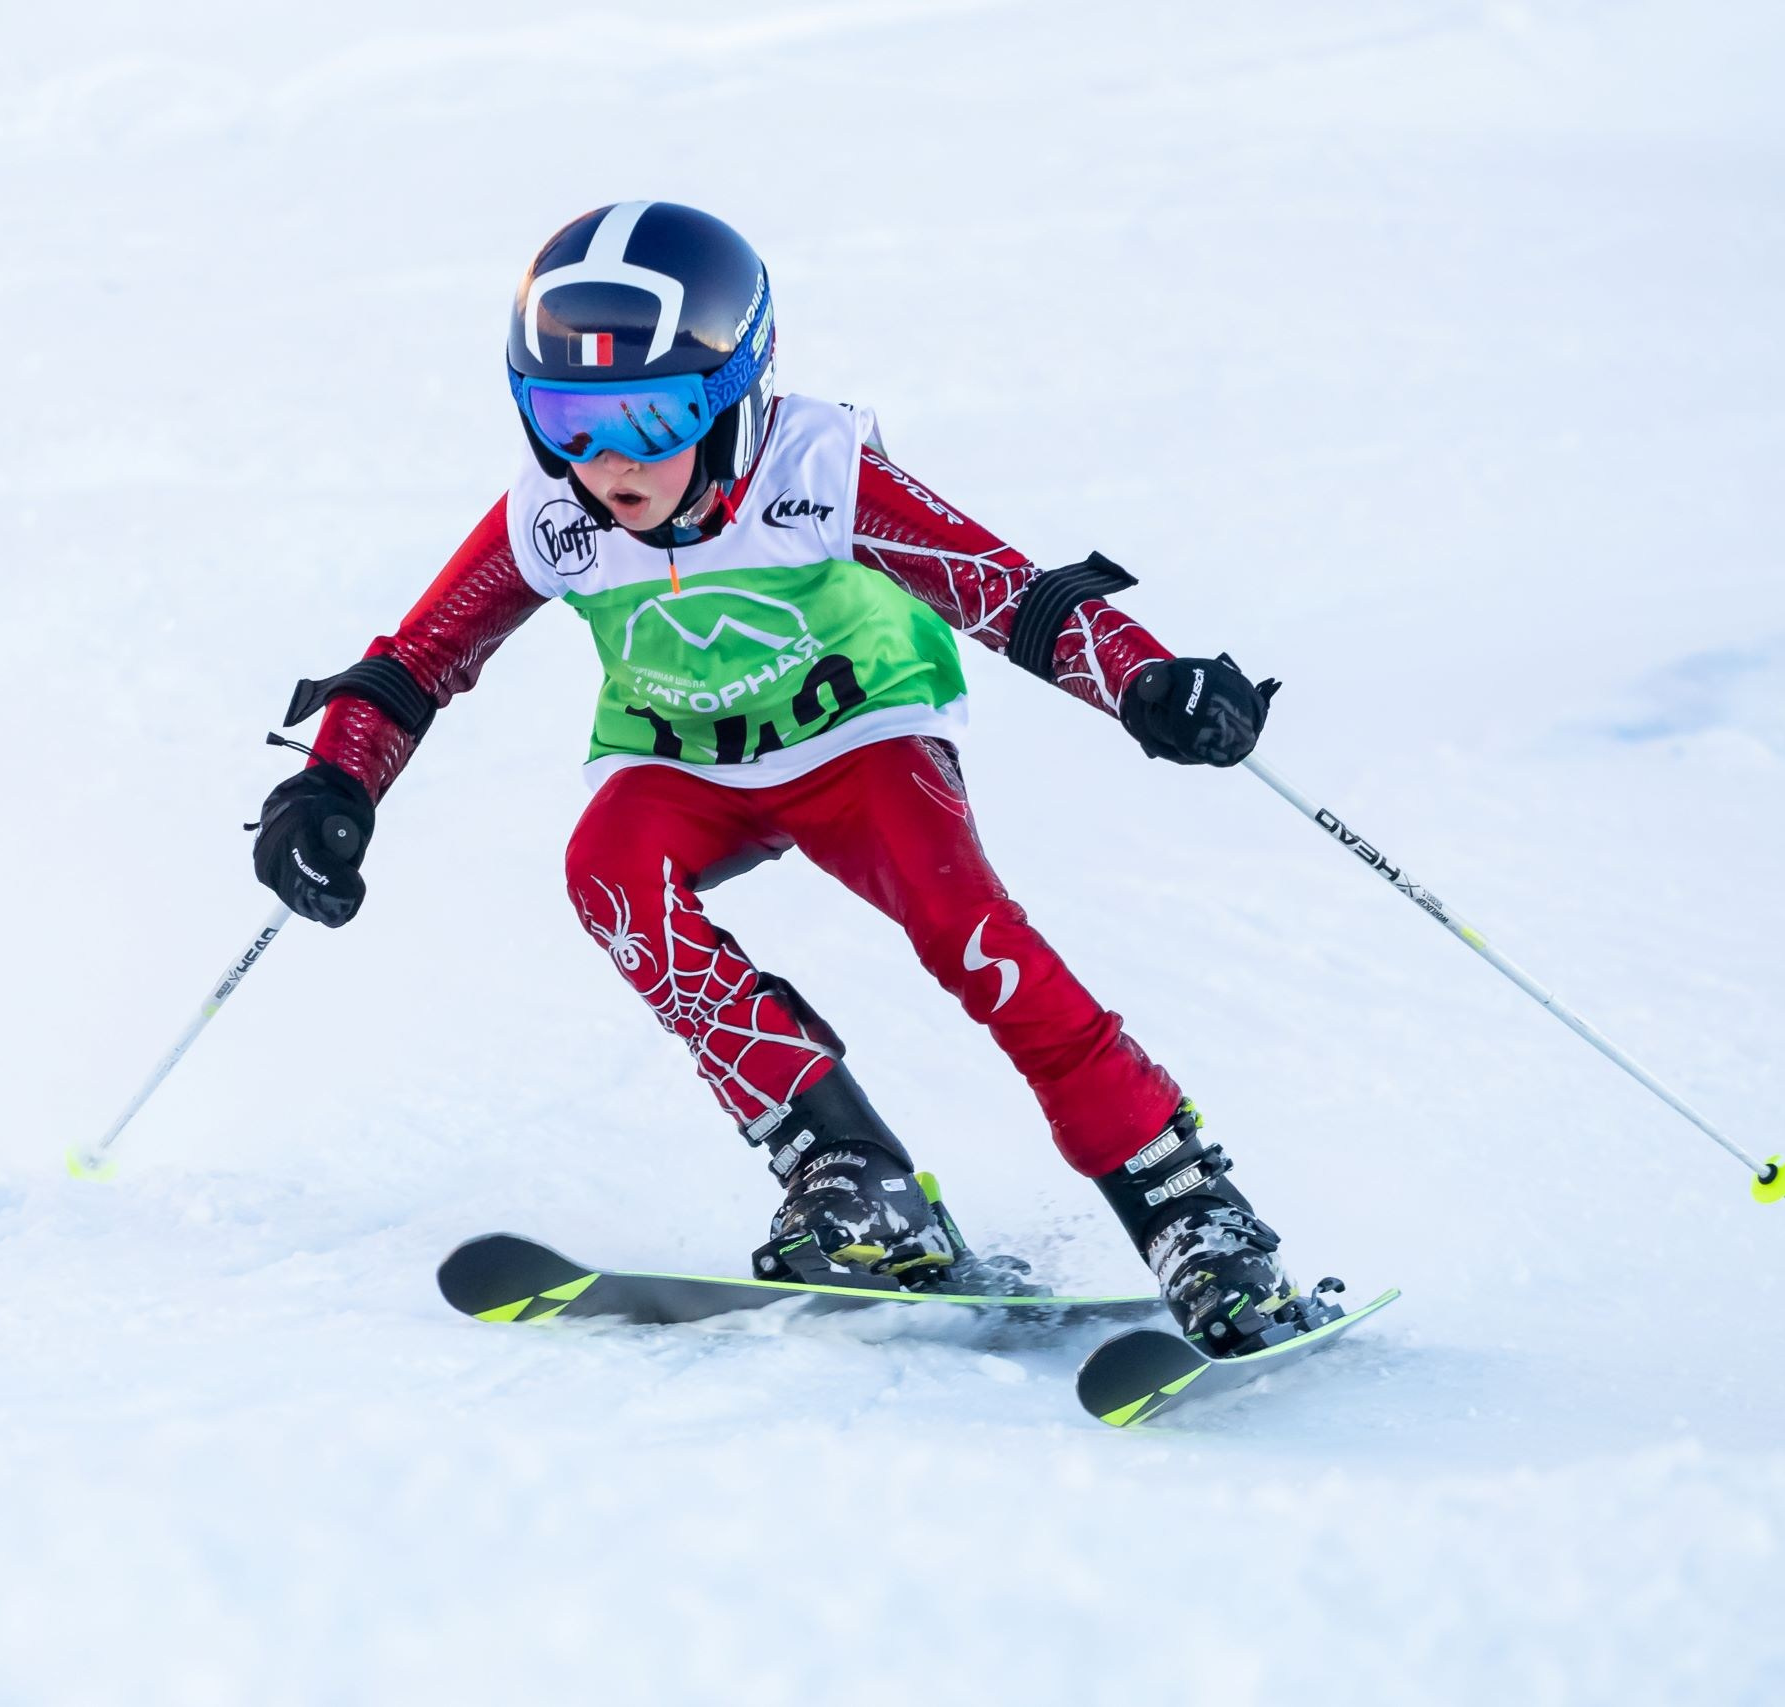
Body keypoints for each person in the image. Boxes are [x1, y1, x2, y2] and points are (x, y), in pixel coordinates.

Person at [254, 201, 1331, 1354]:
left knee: (971, 936)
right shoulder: (551, 514)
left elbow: (1006, 595)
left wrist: (1148, 685)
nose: (609, 461)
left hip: (860, 743)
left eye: (654, 414)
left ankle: (1190, 1213)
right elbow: (417, 662)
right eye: (566, 419)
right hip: (684, 761)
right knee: (608, 870)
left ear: (734, 395)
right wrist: (331, 791)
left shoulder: (815, 468)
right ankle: (848, 1173)